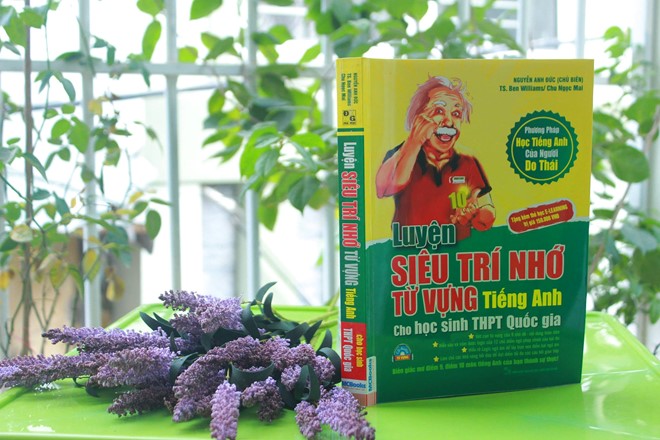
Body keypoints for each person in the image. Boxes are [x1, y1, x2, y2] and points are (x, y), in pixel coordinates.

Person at [375, 76, 495, 241]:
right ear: (418, 117)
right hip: (411, 251)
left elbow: (487, 210)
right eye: (439, 111)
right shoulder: (401, 154)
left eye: (456, 114)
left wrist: (476, 215)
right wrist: (414, 141)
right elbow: (383, 189)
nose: (449, 122)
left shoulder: (467, 161)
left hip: (456, 252)